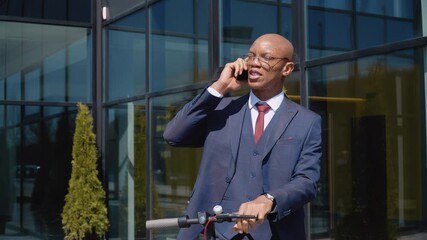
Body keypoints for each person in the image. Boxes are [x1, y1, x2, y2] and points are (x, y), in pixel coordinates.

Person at [163, 33, 322, 240]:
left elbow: (307, 181)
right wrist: (220, 87)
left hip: (272, 234)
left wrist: (269, 199)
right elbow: (173, 135)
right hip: (208, 232)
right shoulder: (221, 109)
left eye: (266, 58)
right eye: (251, 56)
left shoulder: (306, 121)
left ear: (287, 68)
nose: (255, 63)